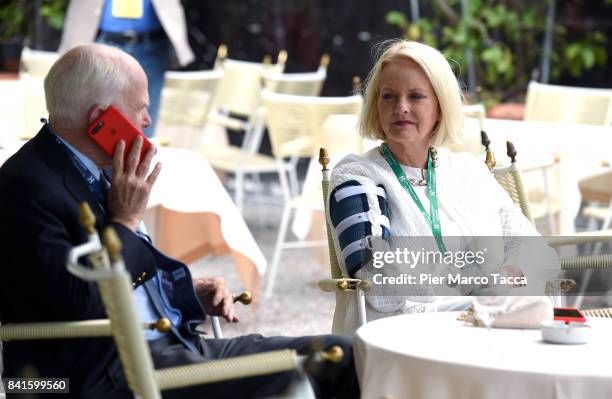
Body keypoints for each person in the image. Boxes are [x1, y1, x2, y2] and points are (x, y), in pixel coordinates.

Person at [0, 44, 358, 399]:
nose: (147, 121)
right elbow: (81, 304)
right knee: (293, 380)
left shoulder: (93, 170)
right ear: (100, 119)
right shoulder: (25, 185)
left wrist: (182, 292)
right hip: (95, 378)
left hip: (165, 349)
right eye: (141, 108)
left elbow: (115, 280)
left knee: (342, 356)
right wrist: (126, 220)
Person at [327, 40, 558, 334]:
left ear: (440, 107)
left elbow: (538, 253)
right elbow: (380, 286)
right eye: (388, 96)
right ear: (376, 105)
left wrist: (505, 278)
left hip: (481, 326)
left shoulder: (469, 172)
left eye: (416, 96)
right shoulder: (358, 176)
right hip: (402, 335)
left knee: (538, 312)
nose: (401, 108)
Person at [59, 0, 194, 137]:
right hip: (104, 42)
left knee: (145, 117)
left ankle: (141, 156)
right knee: (96, 113)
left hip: (152, 45)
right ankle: (94, 157)